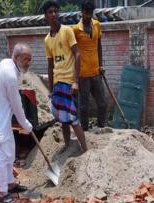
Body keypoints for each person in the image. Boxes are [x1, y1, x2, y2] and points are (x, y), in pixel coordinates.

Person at [0, 43, 33, 203]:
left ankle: (11, 184)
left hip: (1, 114)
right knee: (1, 154)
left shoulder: (6, 63)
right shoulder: (10, 75)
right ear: (17, 57)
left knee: (9, 148)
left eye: (30, 59)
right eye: (26, 59)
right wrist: (26, 124)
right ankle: (2, 192)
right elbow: (16, 104)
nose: (28, 62)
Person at [43, 0, 87, 153]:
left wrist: (75, 81)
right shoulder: (47, 40)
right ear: (45, 16)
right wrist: (51, 89)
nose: (53, 14)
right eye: (50, 12)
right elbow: (50, 65)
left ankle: (86, 151)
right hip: (57, 84)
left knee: (74, 120)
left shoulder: (67, 31)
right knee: (63, 120)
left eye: (55, 11)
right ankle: (68, 147)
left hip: (69, 82)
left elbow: (77, 54)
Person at [72, 0, 107, 131]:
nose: (88, 16)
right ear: (82, 13)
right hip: (82, 74)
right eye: (86, 13)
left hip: (96, 72)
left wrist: (101, 65)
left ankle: (101, 127)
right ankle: (85, 130)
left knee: (102, 103)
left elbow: (99, 46)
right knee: (84, 106)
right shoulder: (75, 30)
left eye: (91, 13)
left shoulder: (97, 25)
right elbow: (73, 52)